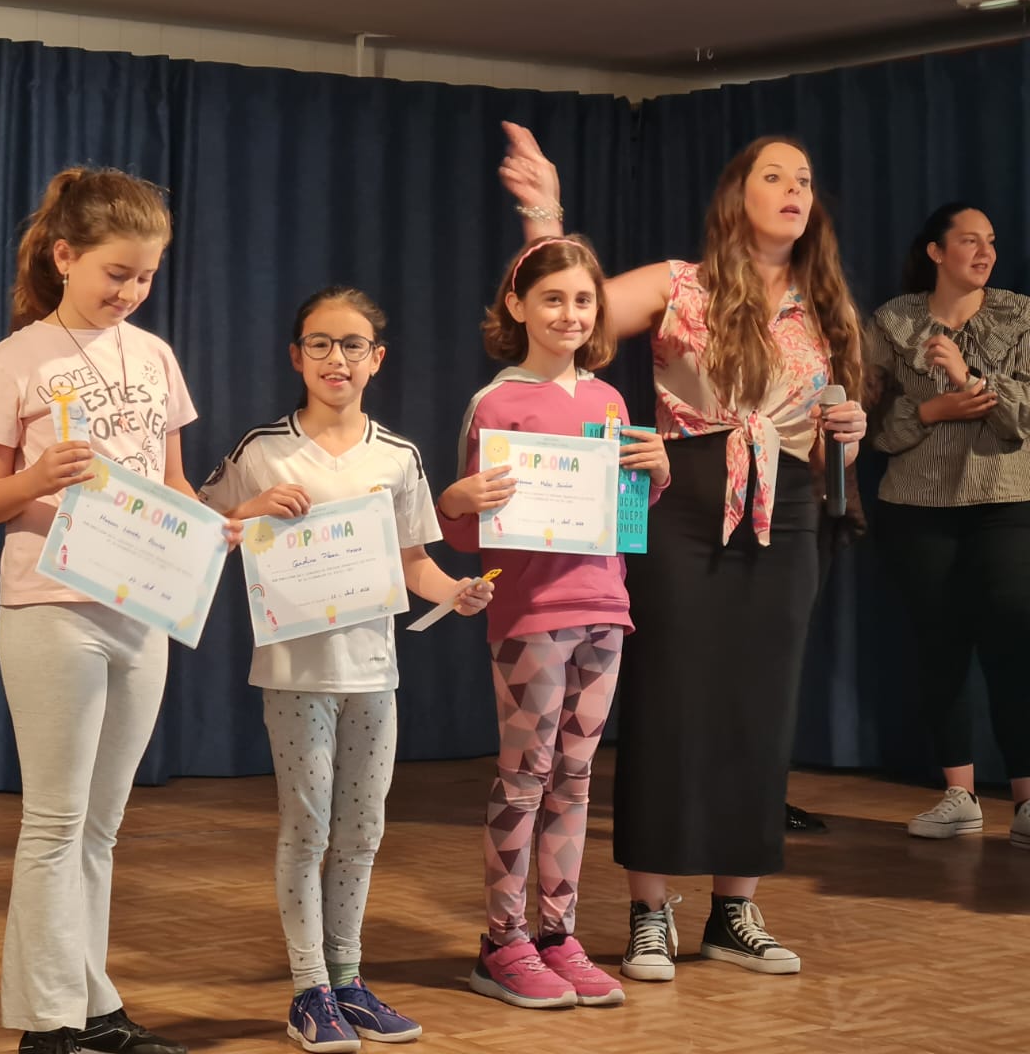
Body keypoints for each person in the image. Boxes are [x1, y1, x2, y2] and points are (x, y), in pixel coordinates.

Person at [497, 122, 868, 981]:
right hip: (683, 493)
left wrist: (847, 429)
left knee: (762, 703)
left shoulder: (824, 306)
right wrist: (545, 213)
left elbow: (829, 428)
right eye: (774, 176)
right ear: (737, 195)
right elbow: (571, 309)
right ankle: (649, 910)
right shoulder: (680, 283)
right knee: (671, 698)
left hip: (788, 504)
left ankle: (734, 909)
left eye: (804, 179)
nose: (794, 189)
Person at [0, 167, 239, 1054]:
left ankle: (91, 1005)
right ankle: (48, 1025)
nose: (130, 291)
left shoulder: (154, 356)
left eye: (145, 276)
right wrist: (36, 478)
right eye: (116, 273)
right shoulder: (16, 360)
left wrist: (220, 525)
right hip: (53, 607)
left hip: (141, 606)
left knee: (101, 828)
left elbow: (173, 483)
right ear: (64, 256)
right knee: (54, 821)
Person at [198, 286, 494, 1054]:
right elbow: (201, 525)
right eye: (321, 344)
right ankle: (309, 989)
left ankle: (348, 978)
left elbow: (413, 560)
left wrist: (455, 592)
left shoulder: (397, 456)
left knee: (362, 830)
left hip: (372, 673)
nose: (337, 359)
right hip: (295, 673)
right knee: (308, 829)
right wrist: (251, 509)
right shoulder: (262, 448)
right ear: (296, 357)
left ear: (377, 359)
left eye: (352, 345)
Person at [437, 235, 668, 1009]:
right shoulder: (496, 403)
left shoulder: (610, 402)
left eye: (582, 300)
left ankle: (558, 935)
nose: (570, 314)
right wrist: (454, 503)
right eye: (552, 299)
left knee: (576, 777)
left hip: (605, 607)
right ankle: (502, 942)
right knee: (525, 775)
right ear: (517, 305)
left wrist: (656, 477)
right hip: (530, 614)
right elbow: (467, 530)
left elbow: (624, 517)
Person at [864, 202, 1030, 849]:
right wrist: (933, 410)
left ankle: (1025, 802)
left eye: (990, 241)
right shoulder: (894, 321)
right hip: (917, 506)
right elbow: (874, 426)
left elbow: (1021, 417)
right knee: (940, 648)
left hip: (1005, 501)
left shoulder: (1019, 314)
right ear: (936, 251)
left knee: (1013, 644)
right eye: (969, 241)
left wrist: (969, 380)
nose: (984, 252)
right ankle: (959, 796)